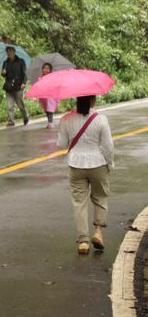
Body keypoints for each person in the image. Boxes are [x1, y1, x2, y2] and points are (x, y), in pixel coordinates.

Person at [57, 96, 114, 255]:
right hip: (98, 163)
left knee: (79, 203)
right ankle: (98, 232)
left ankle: (83, 241)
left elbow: (61, 144)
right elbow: (108, 146)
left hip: (76, 165)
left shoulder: (66, 119)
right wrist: (110, 163)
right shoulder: (101, 119)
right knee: (100, 197)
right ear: (93, 101)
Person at [1, 46, 29, 127]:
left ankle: (25, 116)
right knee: (9, 106)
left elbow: (25, 73)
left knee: (20, 105)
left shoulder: (21, 61)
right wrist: (3, 72)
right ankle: (11, 121)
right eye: (7, 51)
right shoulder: (5, 62)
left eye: (10, 51)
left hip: (18, 86)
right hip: (8, 87)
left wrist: (24, 83)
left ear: (14, 52)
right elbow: (3, 74)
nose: (9, 53)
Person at [37, 63, 60, 129]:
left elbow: (56, 85)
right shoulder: (40, 78)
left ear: (50, 70)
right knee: (46, 109)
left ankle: (50, 122)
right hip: (43, 97)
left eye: (47, 69)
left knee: (50, 108)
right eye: (44, 68)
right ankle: (49, 121)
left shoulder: (53, 77)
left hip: (51, 96)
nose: (45, 70)